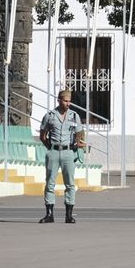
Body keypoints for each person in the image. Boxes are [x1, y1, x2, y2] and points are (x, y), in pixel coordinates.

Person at [37, 90, 85, 224]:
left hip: (68, 152)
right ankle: (49, 214)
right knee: (50, 183)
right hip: (53, 151)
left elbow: (79, 133)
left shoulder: (74, 116)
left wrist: (76, 143)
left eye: (69, 101)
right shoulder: (50, 116)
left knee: (70, 184)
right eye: (65, 101)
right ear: (59, 100)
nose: (68, 103)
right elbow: (43, 135)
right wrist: (50, 147)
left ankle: (69, 215)